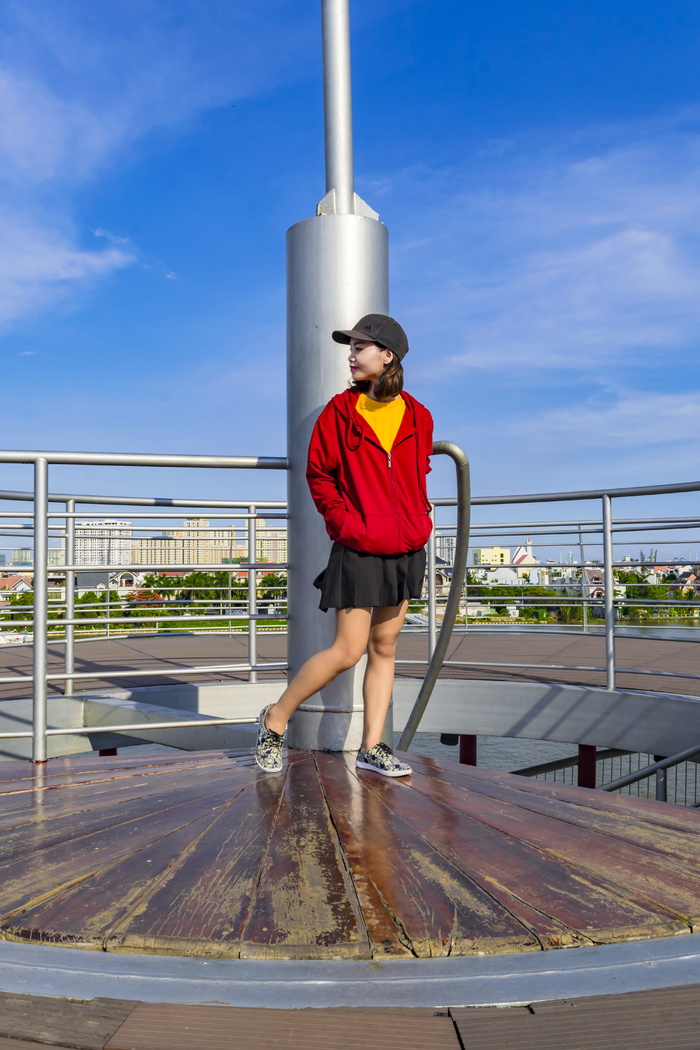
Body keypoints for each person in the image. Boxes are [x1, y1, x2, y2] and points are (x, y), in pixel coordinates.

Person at [255, 313, 433, 776]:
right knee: (347, 650)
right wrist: (343, 523)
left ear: (386, 355)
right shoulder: (339, 411)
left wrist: (420, 518)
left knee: (386, 646)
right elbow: (320, 474)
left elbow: (417, 475)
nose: (351, 356)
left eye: (360, 347)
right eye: (350, 348)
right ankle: (275, 720)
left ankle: (373, 747)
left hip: (407, 543)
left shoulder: (419, 415)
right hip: (358, 542)